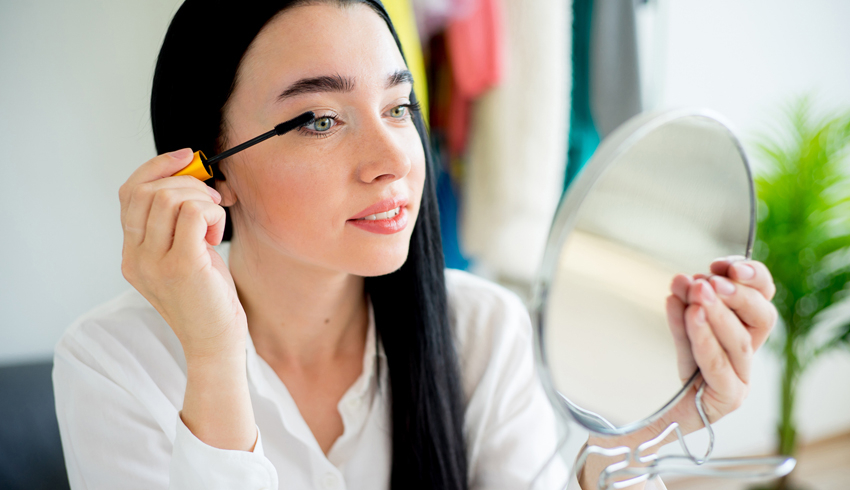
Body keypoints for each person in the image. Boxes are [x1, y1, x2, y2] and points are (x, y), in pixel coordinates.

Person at [52, 1, 778, 489]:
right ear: (208, 162)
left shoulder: (482, 328)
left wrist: (658, 428)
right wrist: (213, 357)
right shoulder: (114, 363)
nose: (394, 159)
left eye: (399, 106)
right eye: (318, 120)